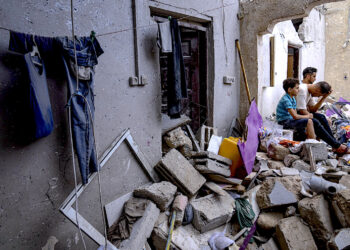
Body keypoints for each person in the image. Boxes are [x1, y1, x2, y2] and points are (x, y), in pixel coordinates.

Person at [276, 78, 349, 155]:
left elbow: (313, 109)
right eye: (297, 88)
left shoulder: (295, 97)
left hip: (292, 117)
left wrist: (324, 97)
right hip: (286, 120)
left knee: (321, 118)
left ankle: (334, 144)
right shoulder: (300, 92)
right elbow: (299, 114)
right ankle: (329, 146)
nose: (318, 97)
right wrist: (309, 116)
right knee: (314, 121)